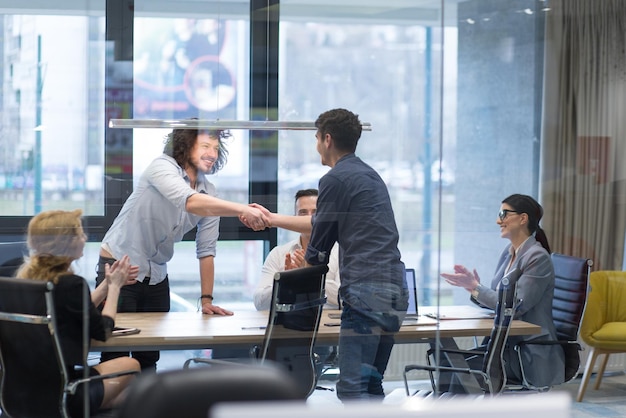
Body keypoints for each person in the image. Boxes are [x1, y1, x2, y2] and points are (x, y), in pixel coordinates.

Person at [244, 108, 408, 401]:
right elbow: (321, 224)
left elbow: (319, 246)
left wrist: (300, 271)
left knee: (351, 388)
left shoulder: (335, 179)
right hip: (394, 290)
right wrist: (272, 219)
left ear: (327, 139)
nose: (316, 145)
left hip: (366, 292)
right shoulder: (369, 176)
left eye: (316, 138)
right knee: (370, 384)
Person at [97, 126, 269, 371]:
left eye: (216, 149)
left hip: (156, 274)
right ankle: (116, 407)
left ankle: (145, 407)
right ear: (186, 146)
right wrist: (242, 209)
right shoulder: (162, 167)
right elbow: (188, 200)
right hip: (119, 266)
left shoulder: (210, 192)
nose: (212, 153)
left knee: (149, 355)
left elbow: (206, 249)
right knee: (115, 351)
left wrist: (207, 299)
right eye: (205, 146)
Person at [15, 209, 141, 417]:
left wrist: (106, 285)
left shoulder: (27, 280)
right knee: (132, 366)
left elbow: (73, 309)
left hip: (21, 392)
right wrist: (116, 288)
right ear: (66, 243)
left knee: (128, 397)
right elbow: (102, 330)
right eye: (80, 234)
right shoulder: (71, 284)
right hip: (65, 391)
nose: (84, 238)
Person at [441, 193, 565, 389]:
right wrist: (472, 288)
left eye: (504, 214)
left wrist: (476, 287)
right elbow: (499, 299)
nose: (498, 220)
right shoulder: (509, 253)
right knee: (448, 363)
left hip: (525, 351)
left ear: (523, 218)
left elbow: (515, 306)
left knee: (457, 372)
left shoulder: (537, 258)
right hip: (505, 346)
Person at [253, 188, 340, 310]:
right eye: (303, 213)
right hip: (288, 324)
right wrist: (286, 281)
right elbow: (259, 303)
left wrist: (308, 274)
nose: (309, 219)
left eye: (316, 213)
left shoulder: (341, 252)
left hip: (329, 326)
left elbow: (344, 298)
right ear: (295, 218)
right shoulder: (278, 254)